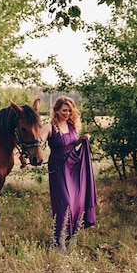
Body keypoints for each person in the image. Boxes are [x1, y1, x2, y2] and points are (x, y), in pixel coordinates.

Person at [39, 96, 97, 251]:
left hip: (73, 166)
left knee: (76, 202)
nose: (67, 113)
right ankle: (57, 241)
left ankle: (69, 236)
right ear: (56, 110)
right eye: (64, 110)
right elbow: (39, 142)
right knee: (64, 203)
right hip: (58, 167)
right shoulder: (50, 127)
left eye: (69, 110)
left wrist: (83, 140)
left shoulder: (72, 125)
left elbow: (72, 144)